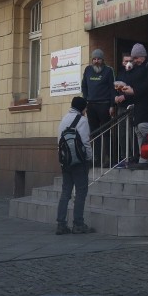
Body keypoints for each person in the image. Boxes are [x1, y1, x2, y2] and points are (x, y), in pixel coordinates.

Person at [55, 97, 96, 235]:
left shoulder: (64, 119)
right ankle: (78, 224)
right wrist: (89, 158)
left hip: (65, 161)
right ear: (82, 108)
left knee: (65, 192)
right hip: (79, 162)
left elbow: (59, 141)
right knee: (80, 192)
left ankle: (61, 224)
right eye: (85, 108)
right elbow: (85, 142)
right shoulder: (82, 121)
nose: (86, 111)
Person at [81, 48, 115, 164]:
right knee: (94, 132)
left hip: (104, 105)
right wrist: (85, 101)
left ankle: (108, 158)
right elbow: (84, 86)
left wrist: (112, 105)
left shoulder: (108, 71)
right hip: (91, 105)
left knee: (106, 132)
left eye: (99, 59)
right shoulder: (88, 70)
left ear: (102, 60)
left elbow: (112, 89)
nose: (96, 61)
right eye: (94, 59)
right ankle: (96, 158)